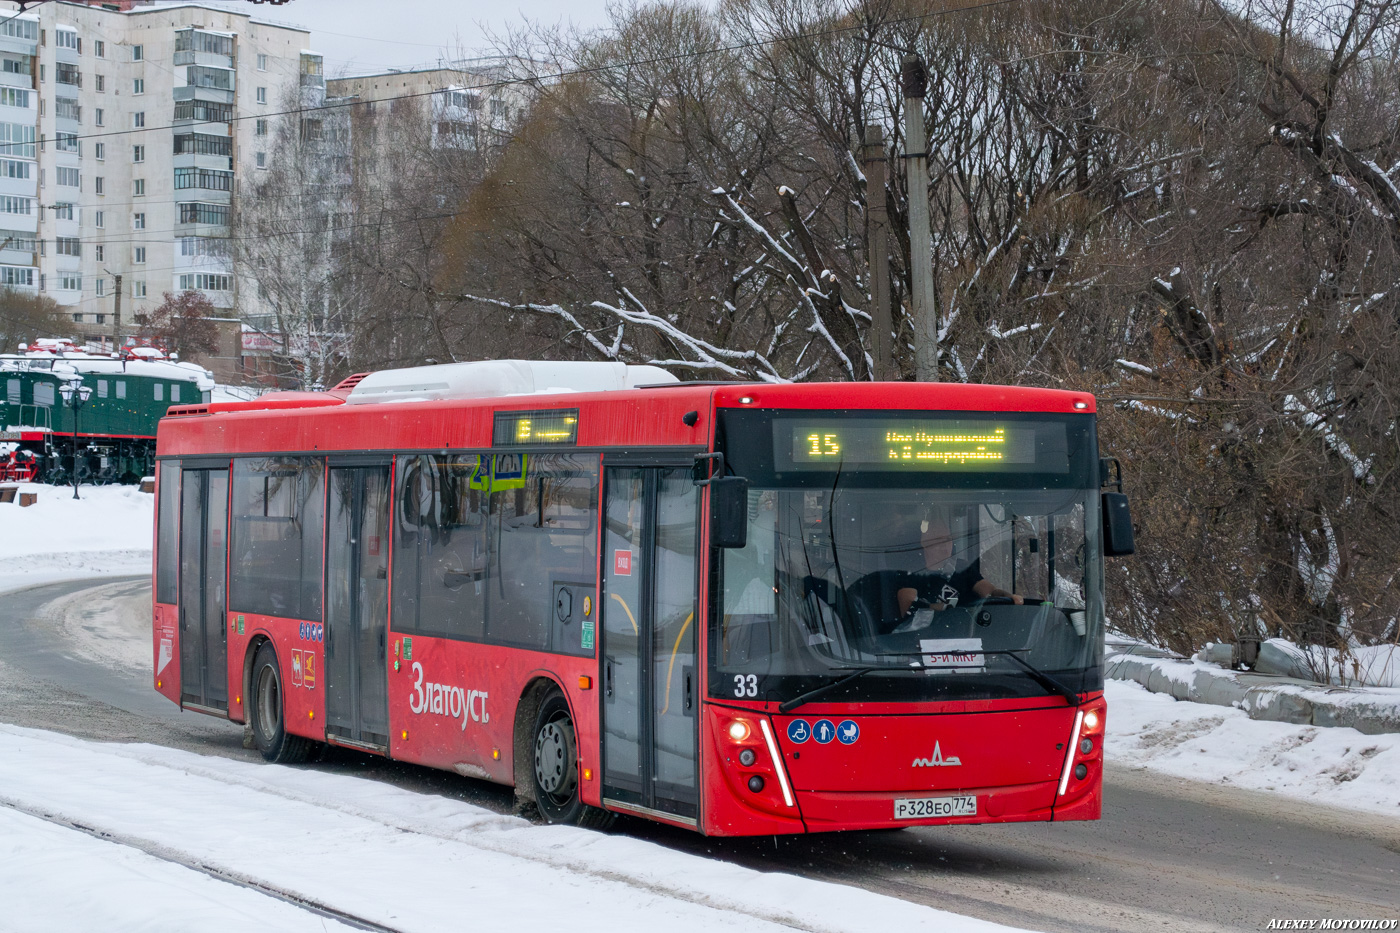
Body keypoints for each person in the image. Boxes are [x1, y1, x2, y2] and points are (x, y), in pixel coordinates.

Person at [894, 512, 1022, 618]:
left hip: (968, 636)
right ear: (924, 542)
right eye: (939, 540)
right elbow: (907, 609)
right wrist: (945, 610)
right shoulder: (912, 572)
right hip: (928, 641)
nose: (945, 546)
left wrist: (1007, 596)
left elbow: (989, 591)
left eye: (948, 539)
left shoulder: (962, 567)